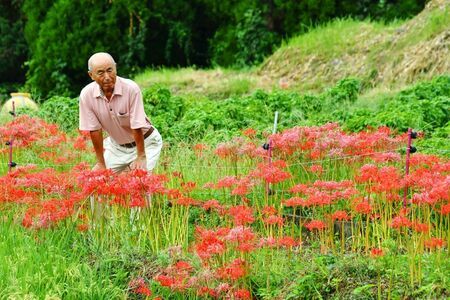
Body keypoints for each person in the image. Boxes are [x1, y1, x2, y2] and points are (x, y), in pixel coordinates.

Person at [79, 52, 162, 173]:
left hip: (146, 143)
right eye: (101, 73)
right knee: (100, 180)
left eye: (110, 70)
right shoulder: (86, 94)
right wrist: (101, 163)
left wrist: (141, 156)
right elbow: (95, 130)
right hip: (117, 148)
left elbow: (137, 124)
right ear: (91, 75)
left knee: (141, 182)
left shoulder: (131, 88)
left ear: (116, 68)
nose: (107, 76)